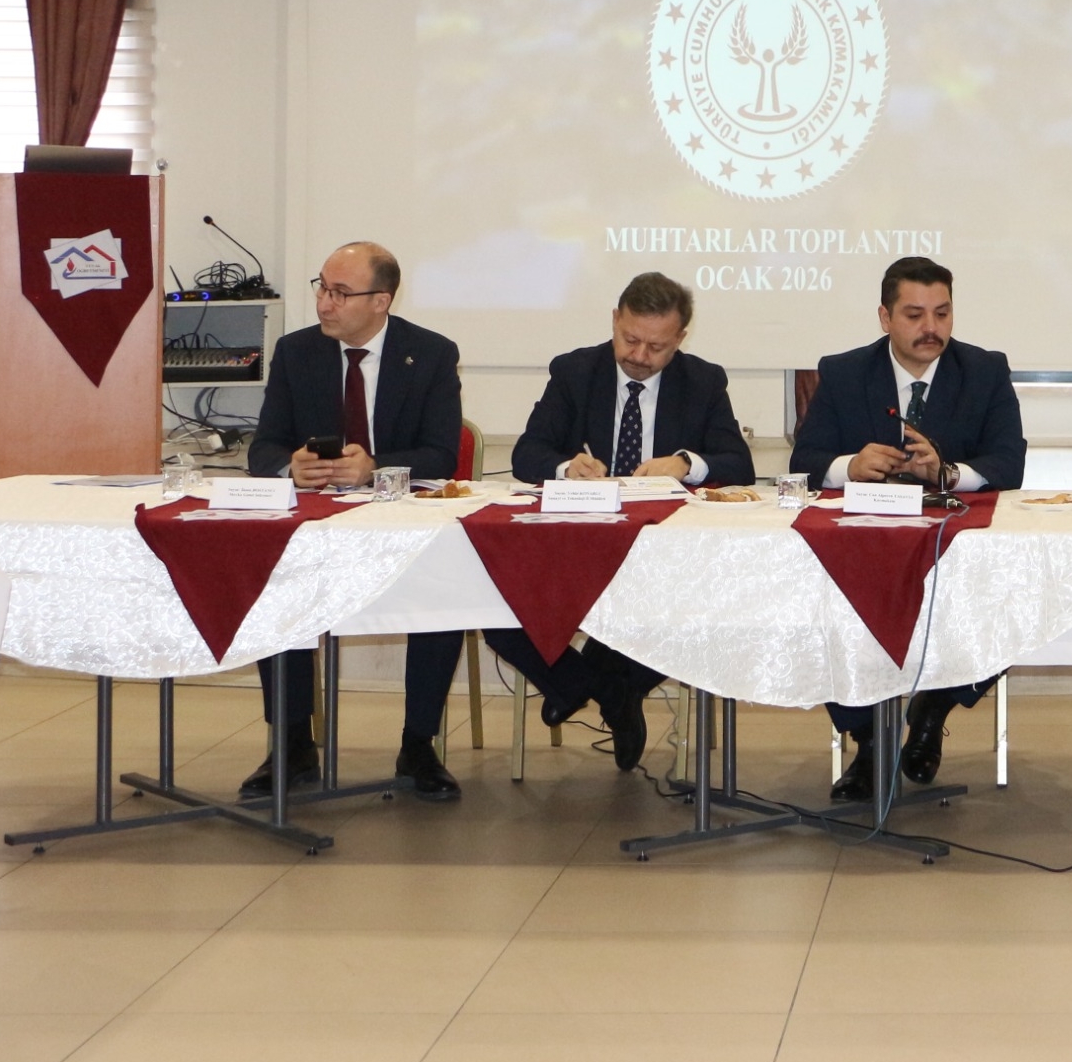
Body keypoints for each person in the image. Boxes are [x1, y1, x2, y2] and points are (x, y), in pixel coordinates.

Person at [482, 272, 754, 772]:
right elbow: (528, 453)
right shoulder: (574, 371)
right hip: (575, 546)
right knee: (494, 600)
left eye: (657, 346)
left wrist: (686, 463)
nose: (639, 356)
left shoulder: (703, 380)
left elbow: (739, 465)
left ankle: (594, 685)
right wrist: (566, 467)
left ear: (680, 338)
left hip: (662, 553)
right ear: (614, 320)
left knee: (696, 599)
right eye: (630, 339)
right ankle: (607, 691)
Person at [790, 256, 1027, 802]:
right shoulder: (845, 371)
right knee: (826, 597)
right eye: (915, 315)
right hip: (866, 547)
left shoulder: (984, 370)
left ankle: (933, 709)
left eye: (942, 313)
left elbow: (1009, 463)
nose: (931, 328)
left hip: (955, 547)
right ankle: (870, 740)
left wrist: (947, 472)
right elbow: (806, 461)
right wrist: (850, 465)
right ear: (885, 317)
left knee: (1012, 592)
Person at [246, 242, 466, 801]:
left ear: (381, 301)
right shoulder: (296, 352)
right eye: (322, 287)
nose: (325, 303)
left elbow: (441, 454)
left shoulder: (431, 354)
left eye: (341, 293)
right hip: (318, 528)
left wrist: (376, 467)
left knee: (445, 589)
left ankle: (418, 745)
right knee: (277, 584)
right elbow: (263, 447)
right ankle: (292, 744)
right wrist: (289, 466)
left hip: (401, 526)